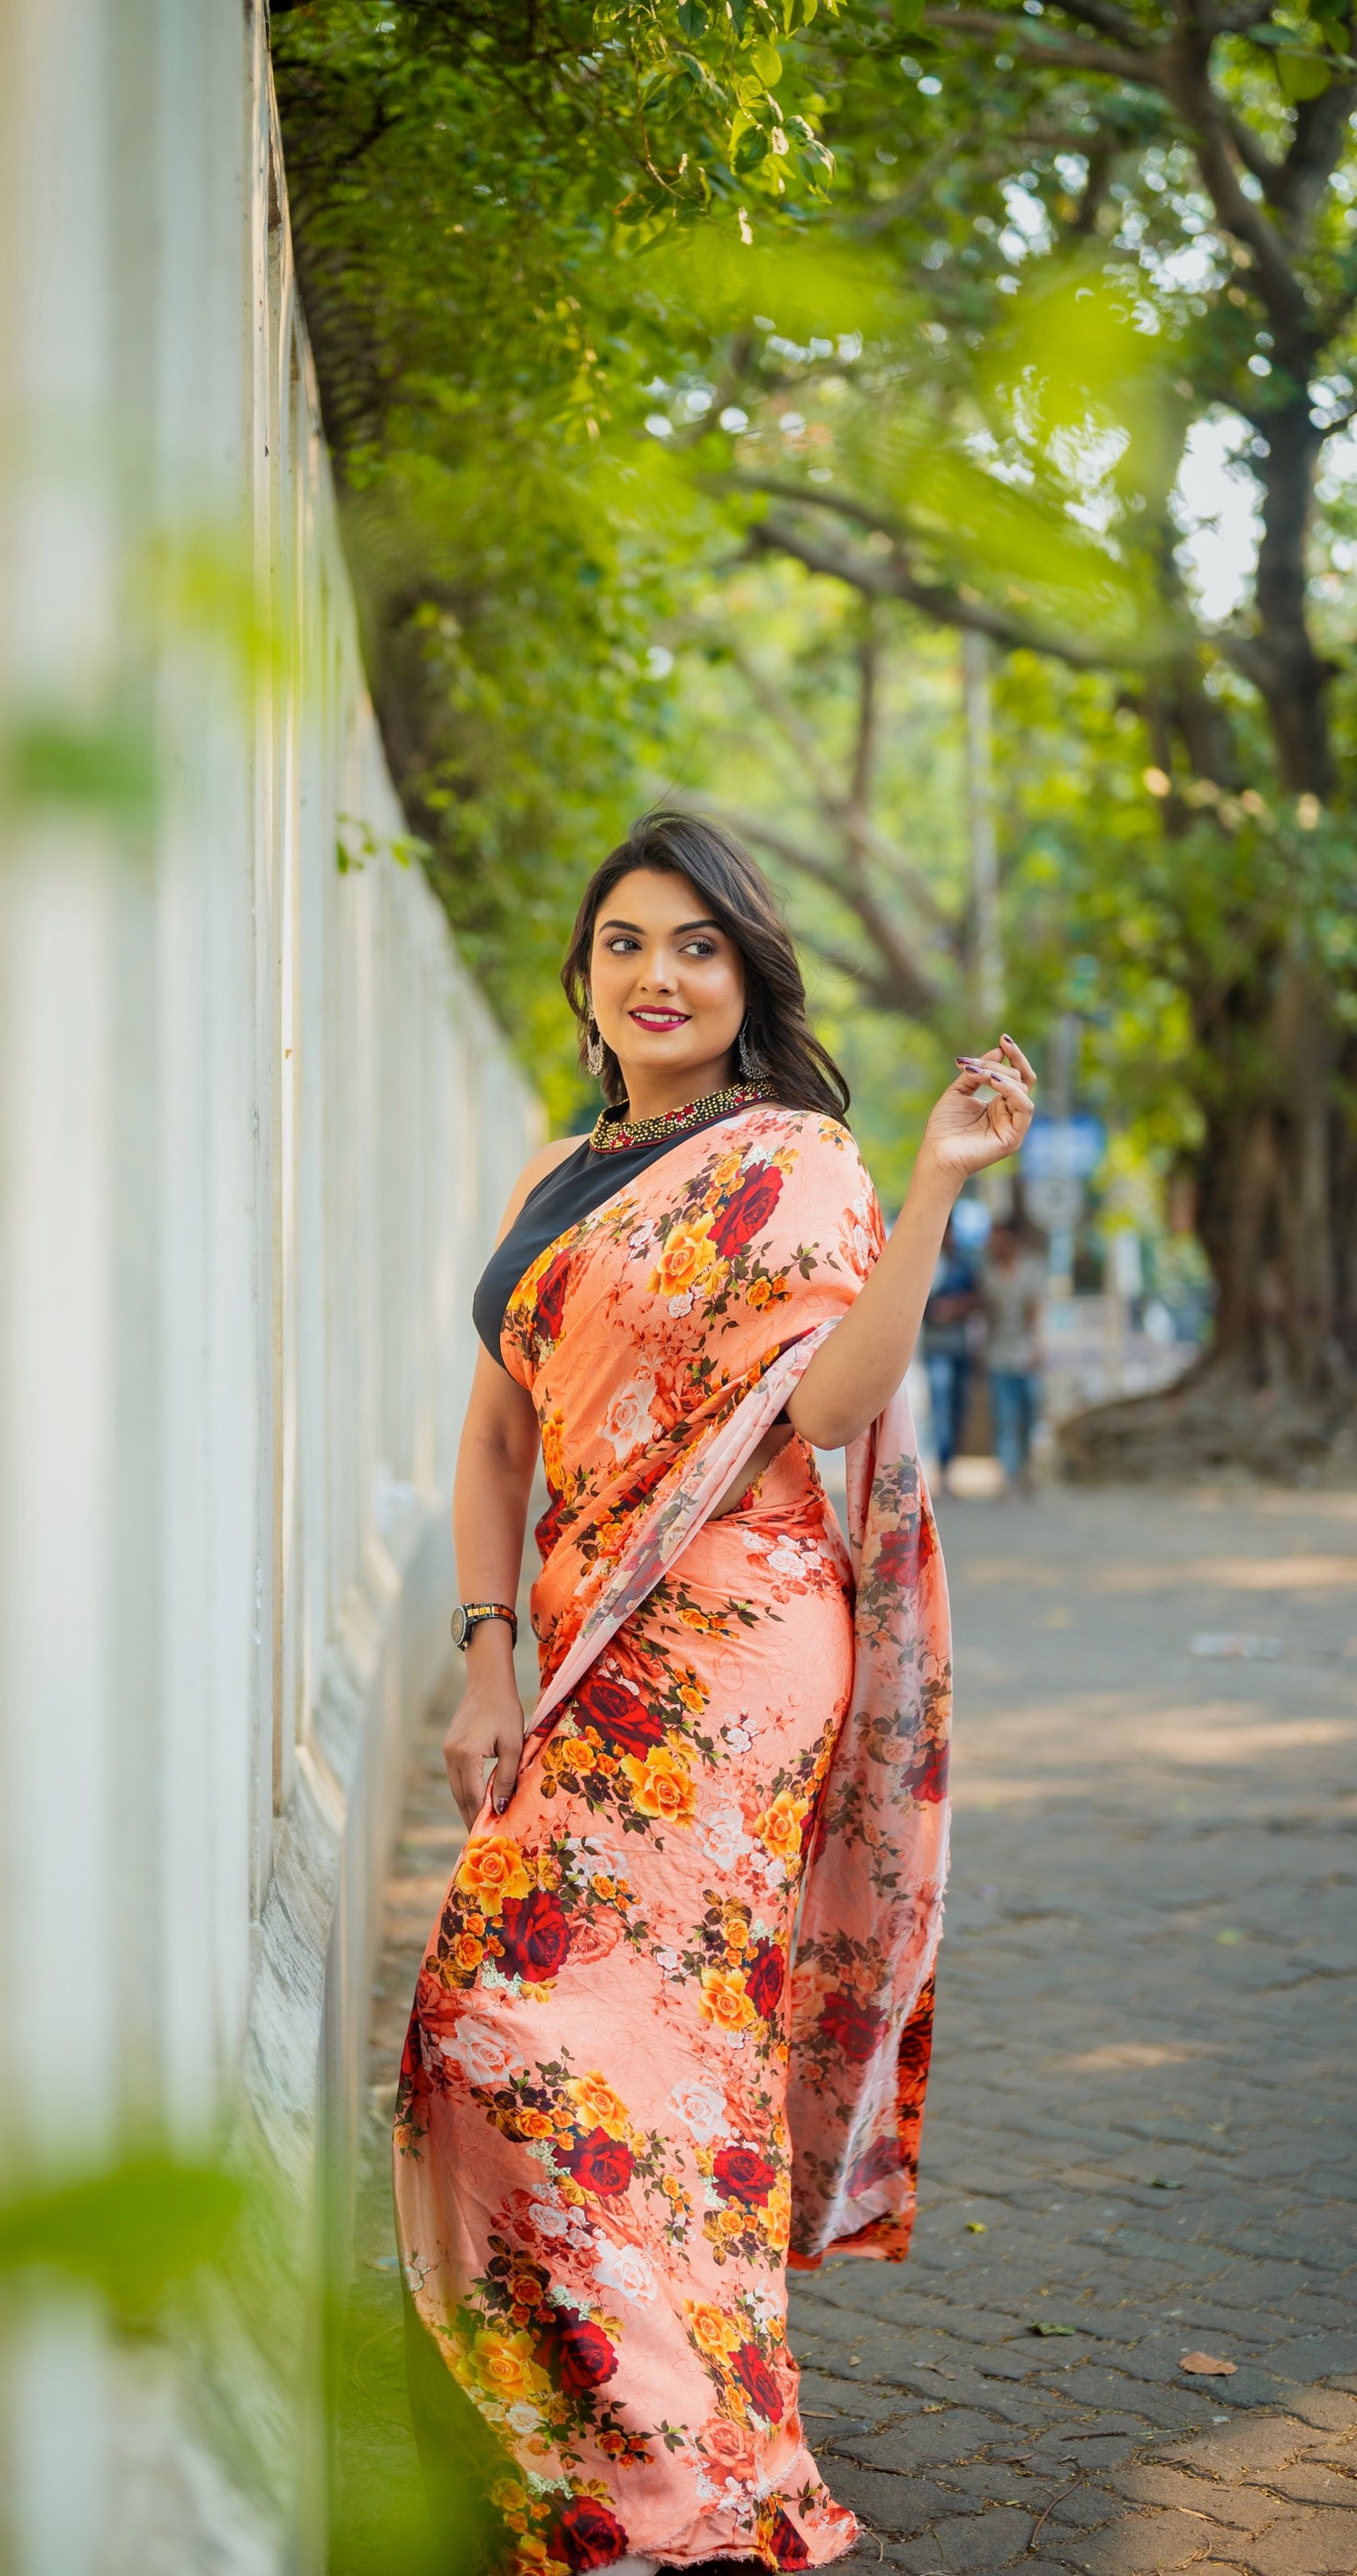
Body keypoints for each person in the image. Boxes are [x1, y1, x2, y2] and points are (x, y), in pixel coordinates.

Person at [393, 812, 1033, 2575]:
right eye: (623, 943)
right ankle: (600, 2424)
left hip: (734, 1651)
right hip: (573, 1641)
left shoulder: (793, 1162)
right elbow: (496, 1439)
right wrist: (483, 1656)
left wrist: (928, 1189)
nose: (656, 974)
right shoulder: (556, 1168)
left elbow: (827, 1410)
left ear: (744, 973)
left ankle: (682, 2463)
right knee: (489, 2032)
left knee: (639, 2049)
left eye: (693, 943)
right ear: (585, 977)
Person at [979, 1221, 1047, 1495]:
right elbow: (987, 1316)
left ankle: (1027, 1468)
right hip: (998, 1353)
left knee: (1029, 1415)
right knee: (1005, 1416)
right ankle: (1008, 1475)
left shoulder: (1030, 1269)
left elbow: (1036, 1311)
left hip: (1025, 1352)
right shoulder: (989, 1273)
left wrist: (1037, 1346)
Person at [919, 1222, 979, 1480]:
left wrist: (955, 1308)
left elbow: (978, 1298)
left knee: (957, 1408)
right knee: (941, 1406)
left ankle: (950, 1462)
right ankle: (943, 1466)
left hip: (959, 1346)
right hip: (936, 1347)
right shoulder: (925, 1263)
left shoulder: (963, 1265)